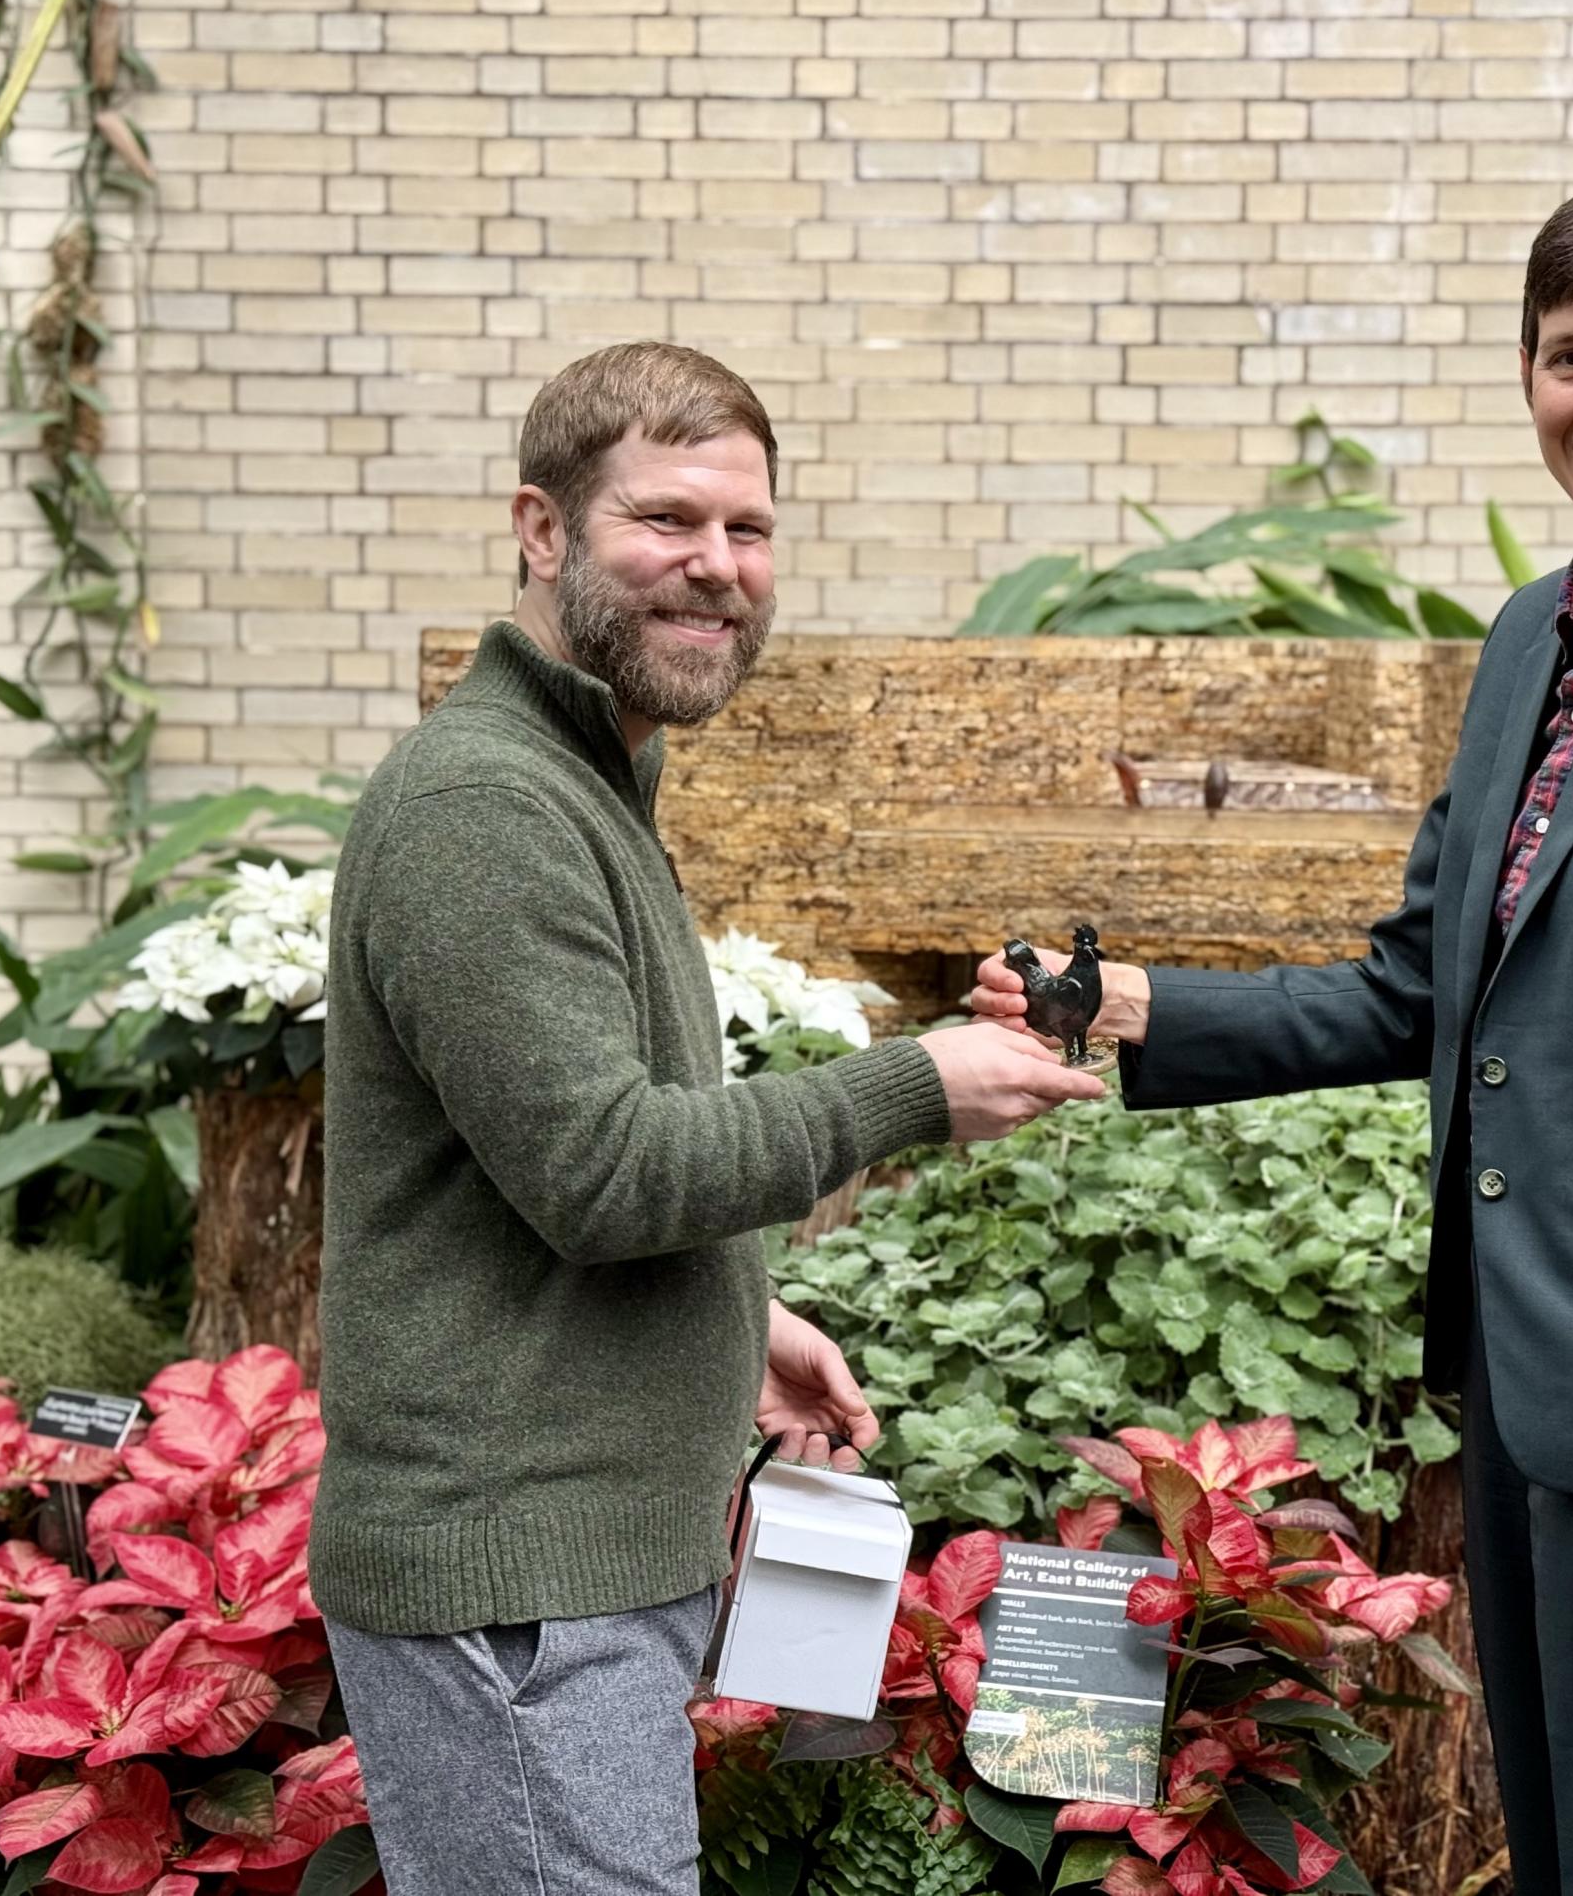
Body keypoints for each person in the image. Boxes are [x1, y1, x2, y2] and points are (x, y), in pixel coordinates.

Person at [974, 176, 1573, 1892]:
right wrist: (1127, 1009)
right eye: (1571, 355)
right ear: (1529, 375)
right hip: (1528, 1392)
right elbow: (1422, 990)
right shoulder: (1528, 649)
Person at [314, 341, 1105, 1895]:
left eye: (747, 530)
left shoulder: (585, 779)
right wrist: (917, 1083)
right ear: (542, 530)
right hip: (517, 1596)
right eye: (667, 521)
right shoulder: (487, 807)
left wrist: (740, 1314)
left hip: (568, 1580)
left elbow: (563, 1151)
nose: (718, 568)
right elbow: (604, 1171)